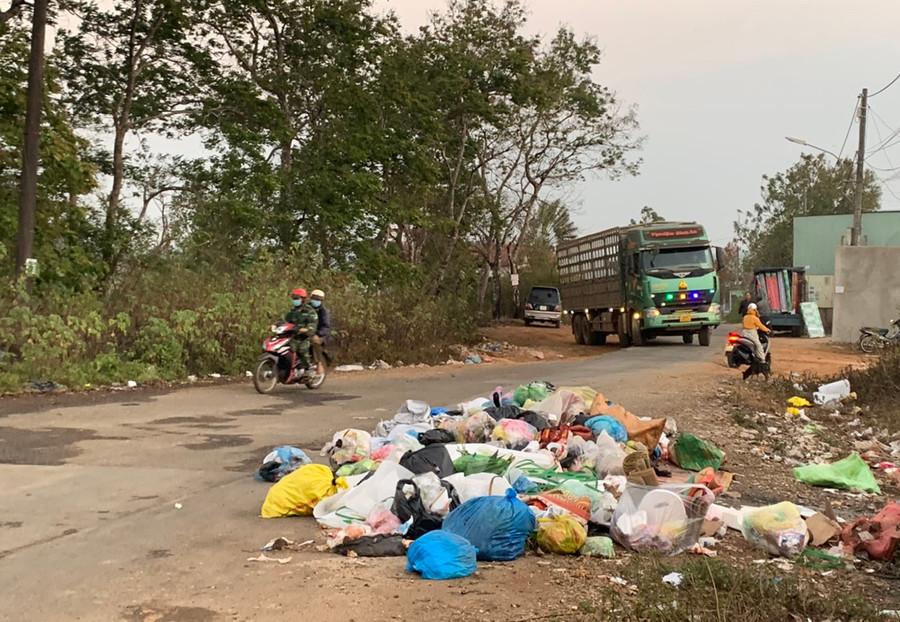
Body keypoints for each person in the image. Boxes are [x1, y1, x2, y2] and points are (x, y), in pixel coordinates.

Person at [285, 288, 319, 373]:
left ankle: (307, 368)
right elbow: (285, 321)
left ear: (303, 299)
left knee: (302, 350)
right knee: (286, 350)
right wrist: (275, 325)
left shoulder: (310, 311)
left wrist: (306, 329)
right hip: (293, 337)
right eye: (294, 298)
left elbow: (313, 324)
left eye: (298, 298)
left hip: (304, 338)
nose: (295, 300)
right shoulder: (292, 311)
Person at [309, 289, 331, 376]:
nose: (316, 301)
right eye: (314, 299)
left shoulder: (324, 312)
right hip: (307, 332)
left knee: (315, 342)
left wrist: (318, 334)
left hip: (321, 334)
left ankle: (319, 363)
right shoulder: (306, 308)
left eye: (318, 299)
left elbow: (326, 326)